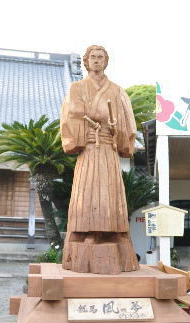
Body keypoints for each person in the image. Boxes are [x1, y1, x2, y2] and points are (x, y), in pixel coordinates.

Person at [60, 45, 139, 274]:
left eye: (100, 57)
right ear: (86, 62)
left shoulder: (117, 90)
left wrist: (118, 133)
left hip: (108, 149)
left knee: (110, 193)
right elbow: (71, 116)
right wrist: (87, 126)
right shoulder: (77, 88)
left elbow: (126, 122)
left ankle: (114, 233)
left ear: (106, 62)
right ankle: (87, 233)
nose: (96, 60)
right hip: (88, 150)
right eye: (92, 57)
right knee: (88, 192)